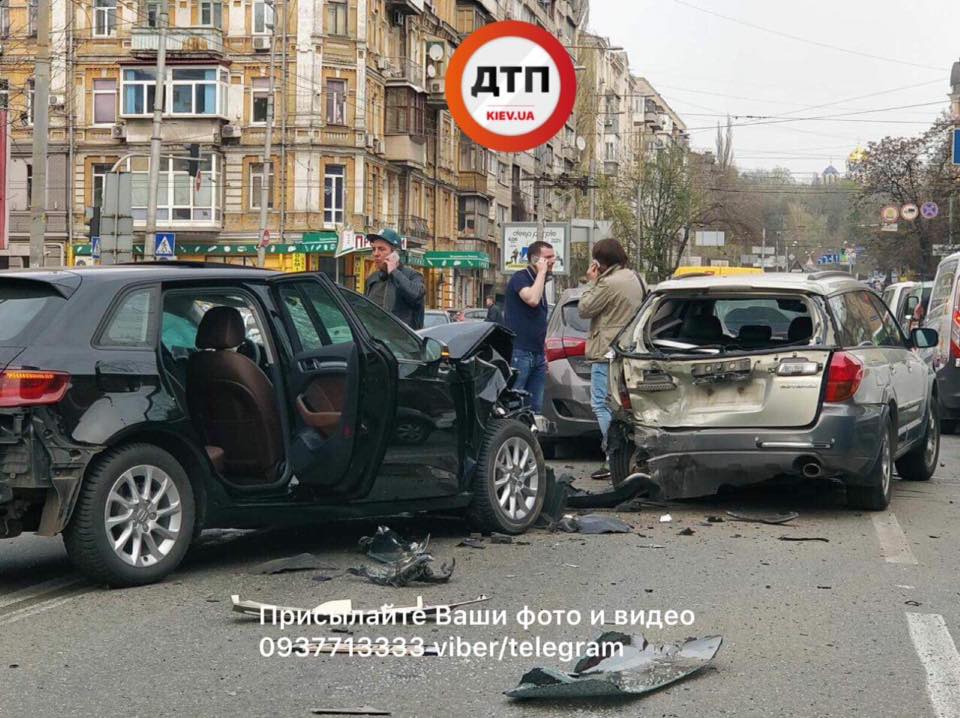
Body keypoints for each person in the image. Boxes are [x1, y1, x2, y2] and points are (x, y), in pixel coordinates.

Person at [578, 238, 646, 480]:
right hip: (628, 351)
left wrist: (591, 282)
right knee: (625, 408)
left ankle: (612, 456)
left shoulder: (607, 283)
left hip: (605, 351)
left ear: (599, 261)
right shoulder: (635, 278)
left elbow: (585, 308)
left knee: (601, 404)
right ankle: (632, 457)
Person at [504, 240, 555, 413]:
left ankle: (530, 439)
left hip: (537, 354)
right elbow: (532, 300)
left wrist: (544, 352)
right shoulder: (521, 277)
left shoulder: (539, 281)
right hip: (520, 352)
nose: (553, 260)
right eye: (548, 257)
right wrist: (541, 272)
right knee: (515, 406)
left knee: (534, 408)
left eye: (553, 256)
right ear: (535, 259)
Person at [364, 228, 425, 330]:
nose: (376, 254)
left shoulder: (413, 275)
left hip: (403, 342)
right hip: (376, 341)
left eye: (381, 249)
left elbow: (416, 295)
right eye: (374, 249)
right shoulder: (373, 279)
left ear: (395, 254)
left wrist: (394, 272)